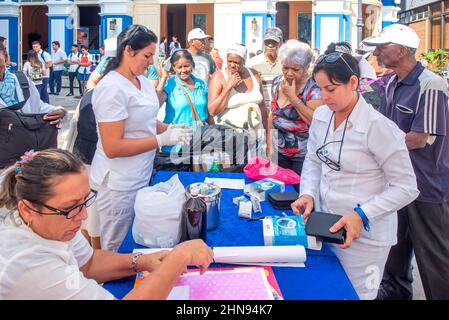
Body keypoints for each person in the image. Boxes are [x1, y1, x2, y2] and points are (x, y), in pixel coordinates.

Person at [0, 149, 214, 299]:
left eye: (85, 200)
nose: (83, 215)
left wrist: (142, 261)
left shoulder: (51, 217)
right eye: (72, 207)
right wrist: (178, 257)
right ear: (27, 209)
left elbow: (89, 263)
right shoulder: (27, 264)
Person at [291, 51, 419, 300]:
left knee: (356, 295)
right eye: (320, 89)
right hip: (325, 226)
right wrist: (307, 193)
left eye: (331, 89)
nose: (324, 97)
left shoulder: (378, 127)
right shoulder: (321, 116)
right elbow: (315, 160)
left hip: (365, 239)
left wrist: (362, 215)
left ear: (353, 83)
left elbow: (406, 187)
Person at [363, 24, 449, 300]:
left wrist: (375, 147)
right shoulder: (390, 83)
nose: (376, 52)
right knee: (396, 246)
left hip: (427, 184)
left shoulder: (432, 85)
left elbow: (419, 139)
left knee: (434, 255)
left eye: (382, 46)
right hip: (397, 181)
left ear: (401, 51)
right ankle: (397, 291)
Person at [90, 24, 193, 252]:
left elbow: (145, 121)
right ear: (128, 51)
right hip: (118, 183)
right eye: (147, 56)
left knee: (138, 241)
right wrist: (161, 140)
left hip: (141, 173)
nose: (150, 62)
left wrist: (170, 128)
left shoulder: (144, 82)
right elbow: (112, 147)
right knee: (117, 245)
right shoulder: (111, 88)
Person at [267, 40, 322, 191]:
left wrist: (293, 98)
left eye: (295, 69)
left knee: (300, 194)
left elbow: (314, 121)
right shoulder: (278, 82)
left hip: (303, 156)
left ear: (305, 68)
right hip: (279, 151)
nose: (289, 73)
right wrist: (270, 147)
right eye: (285, 67)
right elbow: (272, 115)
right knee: (278, 192)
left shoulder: (314, 89)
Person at [208, 43, 267, 156]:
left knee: (255, 171)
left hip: (255, 137)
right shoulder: (219, 76)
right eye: (229, 61)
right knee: (232, 172)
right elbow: (212, 110)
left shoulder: (253, 74)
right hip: (229, 139)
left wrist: (267, 135)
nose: (232, 65)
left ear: (244, 61)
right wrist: (228, 87)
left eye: (236, 62)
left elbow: (263, 107)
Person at [157, 49, 213, 152]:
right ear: (174, 68)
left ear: (192, 65)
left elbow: (208, 113)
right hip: (175, 145)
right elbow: (155, 105)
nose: (183, 70)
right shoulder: (170, 84)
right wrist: (164, 77)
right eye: (179, 67)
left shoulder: (201, 84)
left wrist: (214, 132)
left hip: (199, 143)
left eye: (186, 66)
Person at [0, 46, 65, 124]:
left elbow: (36, 105)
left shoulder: (21, 80)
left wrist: (57, 111)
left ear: (6, 58)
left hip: (23, 133)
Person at [247, 27, 284, 111]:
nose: (270, 46)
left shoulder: (285, 63)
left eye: (274, 43)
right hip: (260, 109)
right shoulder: (253, 63)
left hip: (280, 110)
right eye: (267, 42)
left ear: (280, 43)